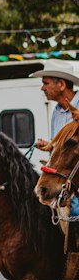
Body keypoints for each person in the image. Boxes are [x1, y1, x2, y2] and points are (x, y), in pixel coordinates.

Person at [34, 61, 79, 221]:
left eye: (45, 83)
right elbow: (63, 147)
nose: (43, 88)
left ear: (61, 84)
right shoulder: (56, 112)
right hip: (67, 177)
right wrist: (48, 146)